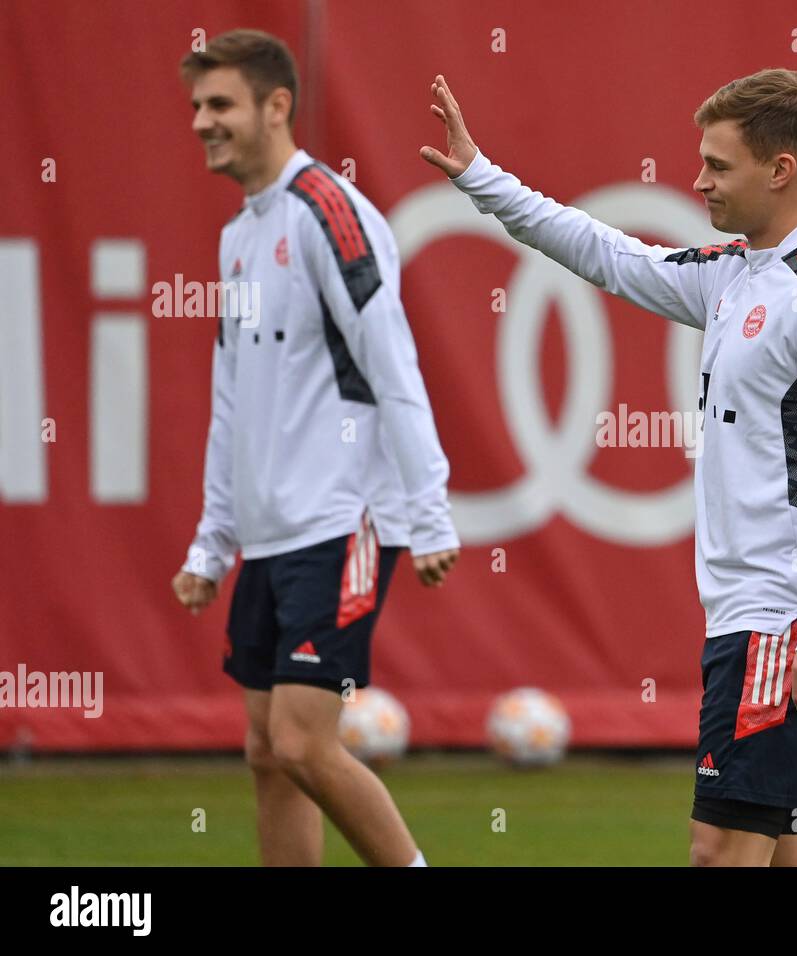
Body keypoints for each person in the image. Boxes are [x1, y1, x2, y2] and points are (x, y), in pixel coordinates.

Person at [419, 68, 797, 866]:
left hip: (783, 618)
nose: (697, 180)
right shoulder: (734, 273)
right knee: (787, 851)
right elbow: (608, 254)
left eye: (718, 164)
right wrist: (481, 177)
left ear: (781, 169)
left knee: (719, 849)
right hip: (754, 615)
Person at [170, 29, 460, 866]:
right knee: (268, 754)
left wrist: (431, 511)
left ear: (277, 106)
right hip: (268, 532)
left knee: (301, 742)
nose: (200, 122)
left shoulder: (331, 212)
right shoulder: (238, 237)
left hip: (342, 519)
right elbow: (235, 401)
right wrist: (211, 541)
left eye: (219, 104)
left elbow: (393, 362)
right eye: (195, 105)